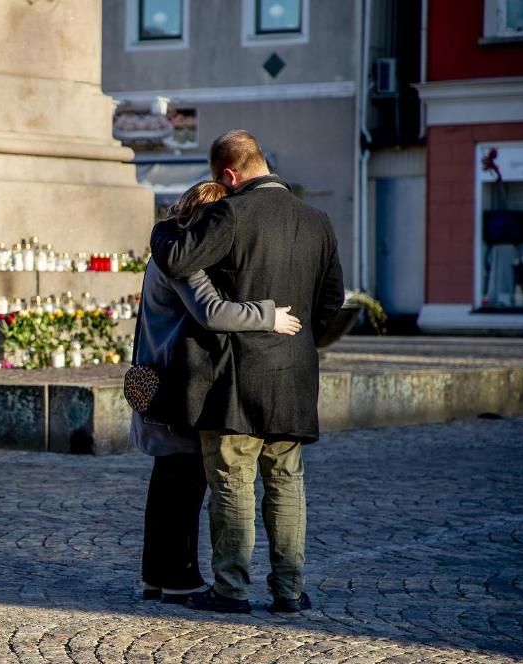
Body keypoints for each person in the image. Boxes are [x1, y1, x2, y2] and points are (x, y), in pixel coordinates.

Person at [149, 130, 345, 614]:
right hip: (293, 374)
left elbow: (174, 258)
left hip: (233, 378)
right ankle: (289, 591)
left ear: (228, 175)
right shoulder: (317, 220)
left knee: (232, 483)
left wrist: (164, 224)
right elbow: (332, 301)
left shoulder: (230, 213)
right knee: (286, 483)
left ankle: (232, 590)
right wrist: (299, 341)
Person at [134, 180, 302, 603]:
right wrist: (269, 316)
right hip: (176, 381)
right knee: (184, 485)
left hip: (159, 375)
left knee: (169, 481)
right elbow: (211, 311)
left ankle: (157, 577)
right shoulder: (184, 261)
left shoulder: (169, 250)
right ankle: (178, 578)